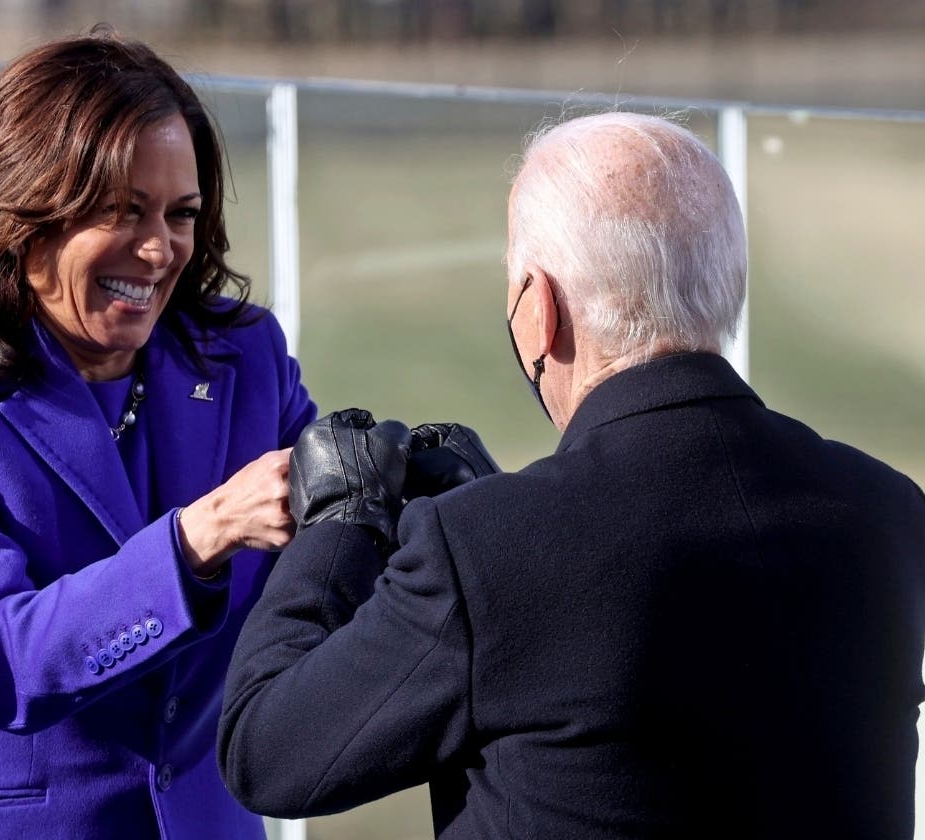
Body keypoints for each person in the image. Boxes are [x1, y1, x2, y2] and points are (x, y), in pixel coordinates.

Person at [218, 112, 925, 838]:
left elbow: (266, 753)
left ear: (539, 311)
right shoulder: (889, 514)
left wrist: (340, 522)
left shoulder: (487, 553)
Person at [0, 30, 315, 840]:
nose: (159, 250)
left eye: (180, 214)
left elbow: (324, 573)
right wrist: (197, 539)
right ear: (22, 211)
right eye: (122, 211)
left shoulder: (243, 358)